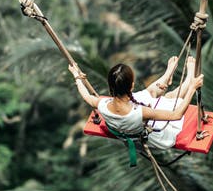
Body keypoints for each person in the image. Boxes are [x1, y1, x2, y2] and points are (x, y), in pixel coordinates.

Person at [69, 56, 204, 150]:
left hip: (130, 130)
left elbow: (86, 96)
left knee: (150, 93)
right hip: (153, 138)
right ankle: (188, 79)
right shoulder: (141, 112)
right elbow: (177, 115)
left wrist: (77, 76)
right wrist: (192, 88)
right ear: (132, 86)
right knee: (169, 97)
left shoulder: (102, 104)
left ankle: (166, 76)